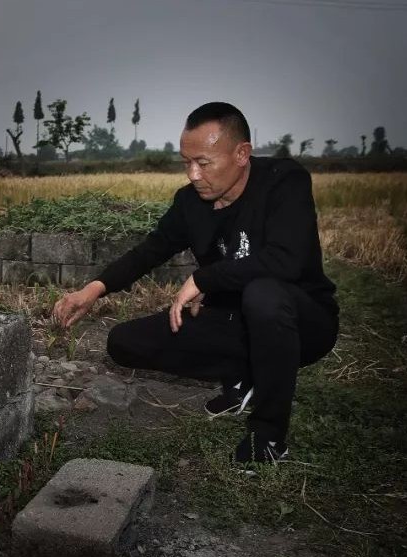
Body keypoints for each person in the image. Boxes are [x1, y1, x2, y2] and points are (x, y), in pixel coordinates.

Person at [52, 101, 338, 467]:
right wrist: (94, 288)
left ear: (241, 154)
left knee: (263, 294)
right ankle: (243, 378)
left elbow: (286, 261)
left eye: (203, 163)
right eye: (186, 162)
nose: (193, 174)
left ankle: (268, 435)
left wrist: (205, 278)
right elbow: (150, 250)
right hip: (235, 320)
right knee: (124, 342)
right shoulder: (191, 203)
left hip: (304, 322)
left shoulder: (284, 181)